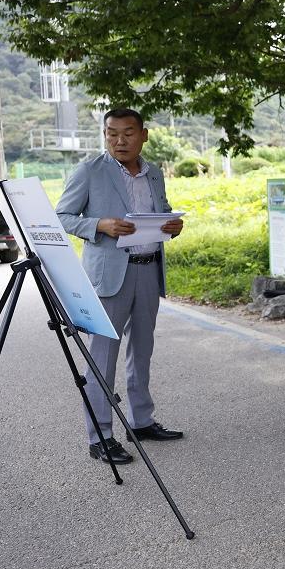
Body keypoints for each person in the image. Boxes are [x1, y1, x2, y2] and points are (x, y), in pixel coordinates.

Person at [55, 108, 185, 465]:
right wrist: (100, 225)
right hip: (110, 276)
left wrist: (173, 226)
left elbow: (163, 212)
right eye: (112, 133)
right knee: (103, 357)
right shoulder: (90, 170)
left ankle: (141, 421)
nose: (119, 140)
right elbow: (62, 216)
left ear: (143, 135)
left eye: (127, 133)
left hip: (148, 270)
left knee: (141, 351)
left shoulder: (154, 173)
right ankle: (101, 436)